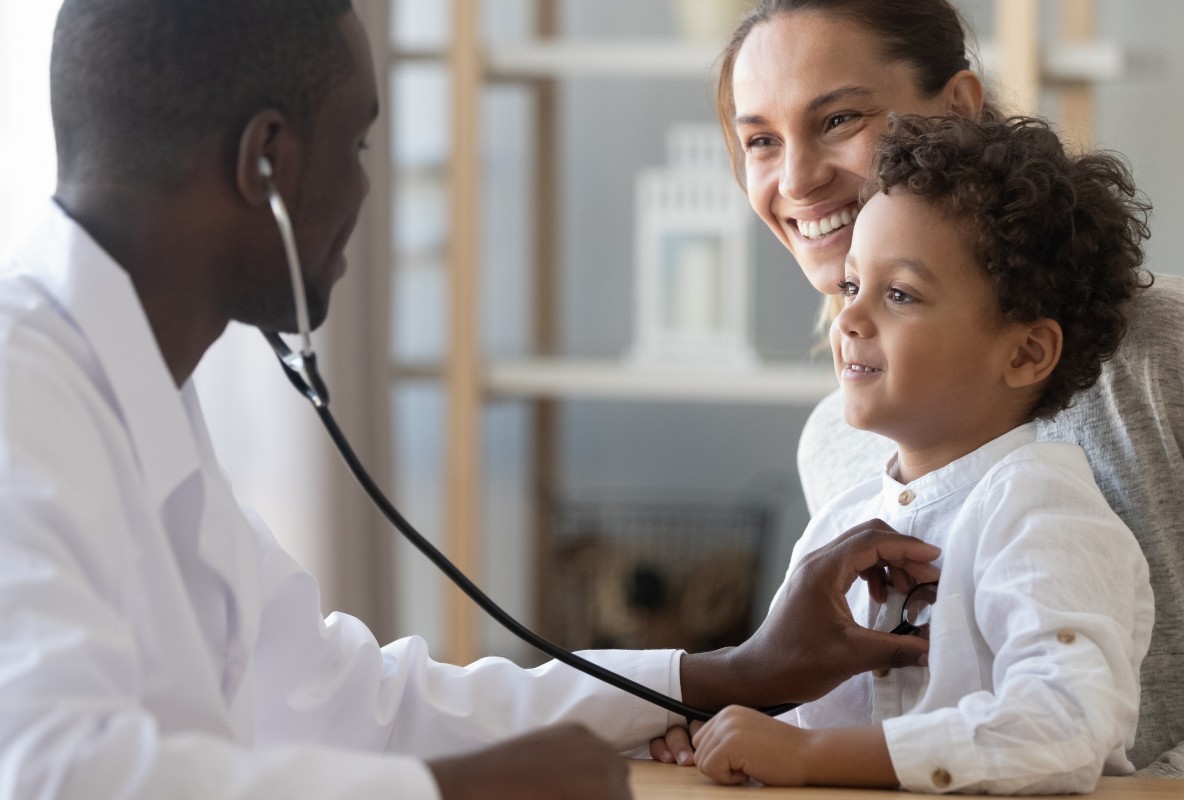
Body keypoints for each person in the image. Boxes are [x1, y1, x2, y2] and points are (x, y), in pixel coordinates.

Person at [0, 1, 945, 798]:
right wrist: (459, 791)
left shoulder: (132, 398)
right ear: (267, 167)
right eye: (359, 142)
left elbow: (355, 699)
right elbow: (53, 773)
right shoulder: (20, 391)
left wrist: (734, 673)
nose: (367, 187)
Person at [653, 0, 1184, 777]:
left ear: (956, 111)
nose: (799, 178)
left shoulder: (1163, 347)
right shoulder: (843, 444)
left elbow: (1058, 720)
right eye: (761, 141)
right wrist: (725, 724)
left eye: (839, 119)